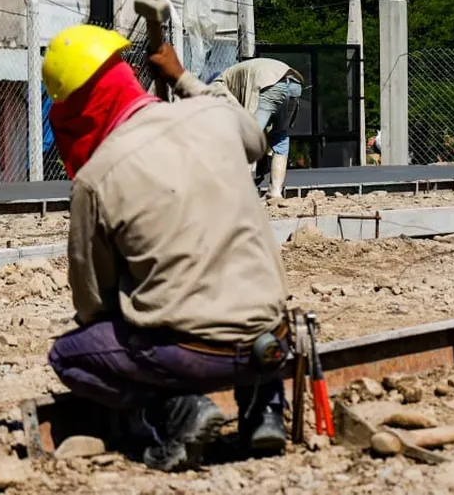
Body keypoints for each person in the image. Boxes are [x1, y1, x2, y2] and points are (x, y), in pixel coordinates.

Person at [42, 25, 290, 472]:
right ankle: (264, 409)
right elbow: (255, 140)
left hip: (192, 358)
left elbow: (94, 304)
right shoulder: (212, 117)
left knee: (69, 355)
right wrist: (181, 77)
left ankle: (175, 411)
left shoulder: (97, 179)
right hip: (273, 339)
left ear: (73, 110)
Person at [210, 58, 305, 199]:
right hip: (294, 84)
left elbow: (234, 106)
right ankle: (275, 191)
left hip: (270, 84)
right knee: (280, 136)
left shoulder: (216, 84)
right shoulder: (233, 74)